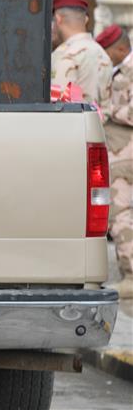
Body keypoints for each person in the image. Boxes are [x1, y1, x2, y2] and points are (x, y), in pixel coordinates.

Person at [96, 24, 133, 298]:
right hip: (118, 147)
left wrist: (108, 110)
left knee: (120, 213)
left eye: (108, 53)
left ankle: (131, 276)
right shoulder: (122, 68)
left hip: (124, 149)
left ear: (121, 48)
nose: (106, 59)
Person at [51, 0, 112, 106]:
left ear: (58, 19)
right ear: (86, 20)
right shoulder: (103, 54)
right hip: (98, 123)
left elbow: (56, 105)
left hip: (71, 123)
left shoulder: (64, 54)